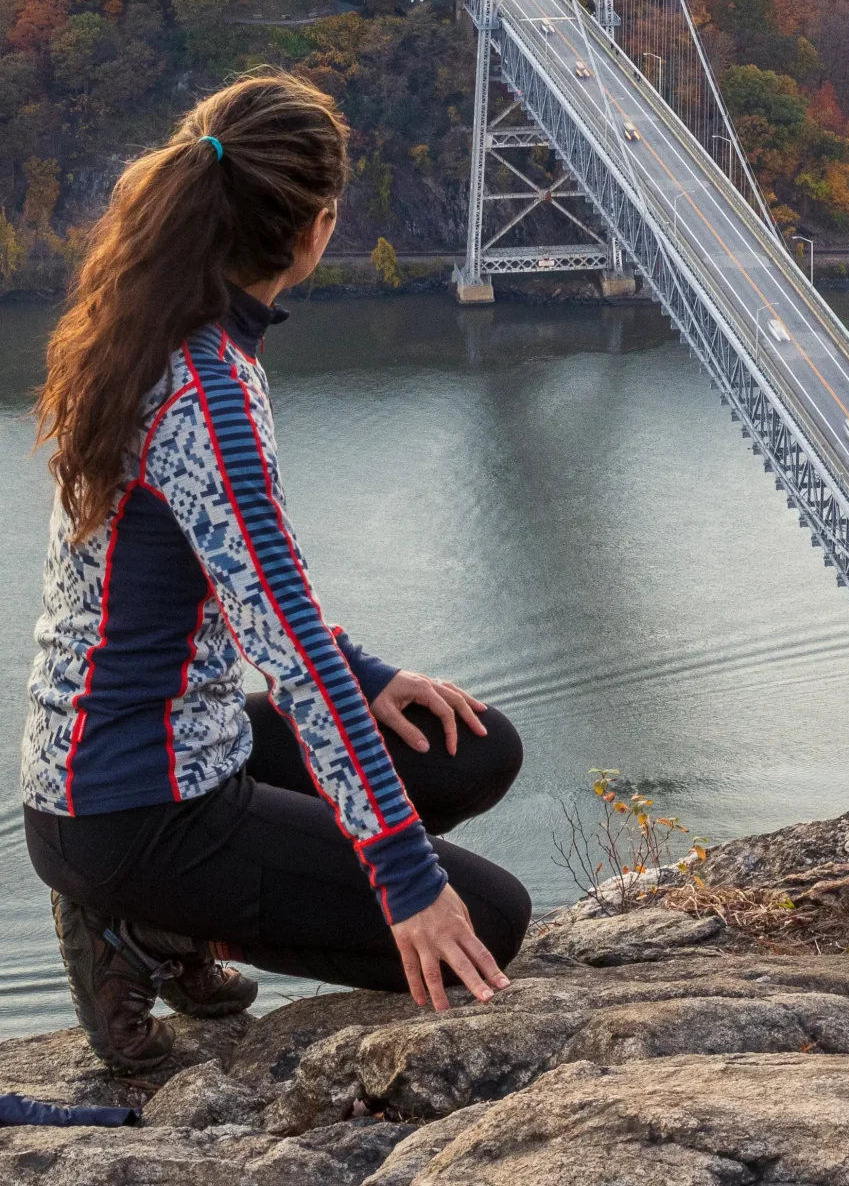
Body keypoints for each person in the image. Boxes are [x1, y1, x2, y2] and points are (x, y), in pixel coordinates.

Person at [19, 74, 530, 1073]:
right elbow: (289, 648)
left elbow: (252, 597)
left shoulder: (149, 325)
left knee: (472, 745)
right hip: (130, 808)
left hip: (142, 751)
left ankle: (160, 918)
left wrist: (373, 676)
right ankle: (144, 926)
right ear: (318, 229)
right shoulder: (207, 389)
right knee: (489, 924)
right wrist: (404, 879)